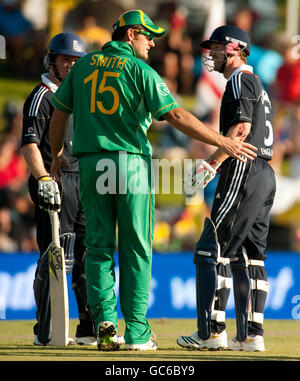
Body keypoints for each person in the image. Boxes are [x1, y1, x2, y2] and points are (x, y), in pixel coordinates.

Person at [48, 10, 257, 352]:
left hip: (90, 163)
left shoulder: (83, 67)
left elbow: (60, 113)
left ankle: (104, 321)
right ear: (130, 35)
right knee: (136, 248)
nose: (153, 42)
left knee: (97, 247)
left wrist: (57, 154)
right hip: (129, 164)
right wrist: (222, 142)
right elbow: (174, 114)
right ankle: (137, 334)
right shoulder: (140, 70)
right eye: (148, 35)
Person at [177, 25, 276, 352]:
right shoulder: (257, 83)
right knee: (250, 255)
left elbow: (242, 129)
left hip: (242, 168)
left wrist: (211, 164)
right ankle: (251, 336)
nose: (211, 54)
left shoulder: (239, 80)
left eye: (216, 48)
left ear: (234, 49)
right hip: (264, 172)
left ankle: (211, 332)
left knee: (212, 247)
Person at [21, 32, 97, 346]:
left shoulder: (82, 96)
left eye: (76, 60)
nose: (70, 65)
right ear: (52, 60)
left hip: (84, 184)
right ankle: (47, 330)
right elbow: (29, 146)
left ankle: (88, 328)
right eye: (65, 59)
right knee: (56, 253)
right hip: (55, 181)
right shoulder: (42, 95)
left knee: (88, 254)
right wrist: (43, 180)